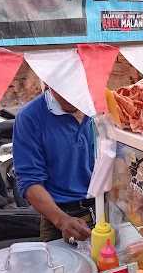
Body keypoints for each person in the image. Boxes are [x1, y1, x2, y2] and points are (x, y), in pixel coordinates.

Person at [13, 86, 95, 243]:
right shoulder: (29, 118)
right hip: (59, 219)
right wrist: (61, 220)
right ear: (48, 82)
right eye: (63, 88)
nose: (71, 97)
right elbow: (30, 182)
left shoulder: (101, 106)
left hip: (107, 210)